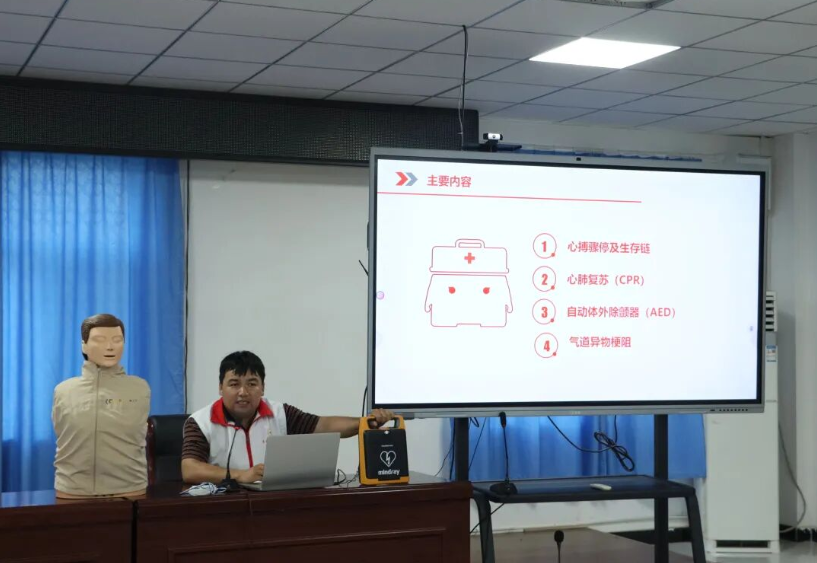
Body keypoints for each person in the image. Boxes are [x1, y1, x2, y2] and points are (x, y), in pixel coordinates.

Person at [182, 350, 394, 484]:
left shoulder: (280, 413)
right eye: (234, 384)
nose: (243, 392)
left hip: (274, 501)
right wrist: (239, 475)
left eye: (252, 384)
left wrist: (366, 422)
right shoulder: (200, 422)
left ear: (262, 387)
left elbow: (324, 425)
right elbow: (190, 469)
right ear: (220, 388)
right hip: (223, 505)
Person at [52, 314, 151, 498]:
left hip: (129, 488)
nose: (110, 346)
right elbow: (61, 433)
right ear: (84, 345)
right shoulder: (64, 390)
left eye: (117, 340)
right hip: (72, 489)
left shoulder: (139, 388)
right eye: (99, 340)